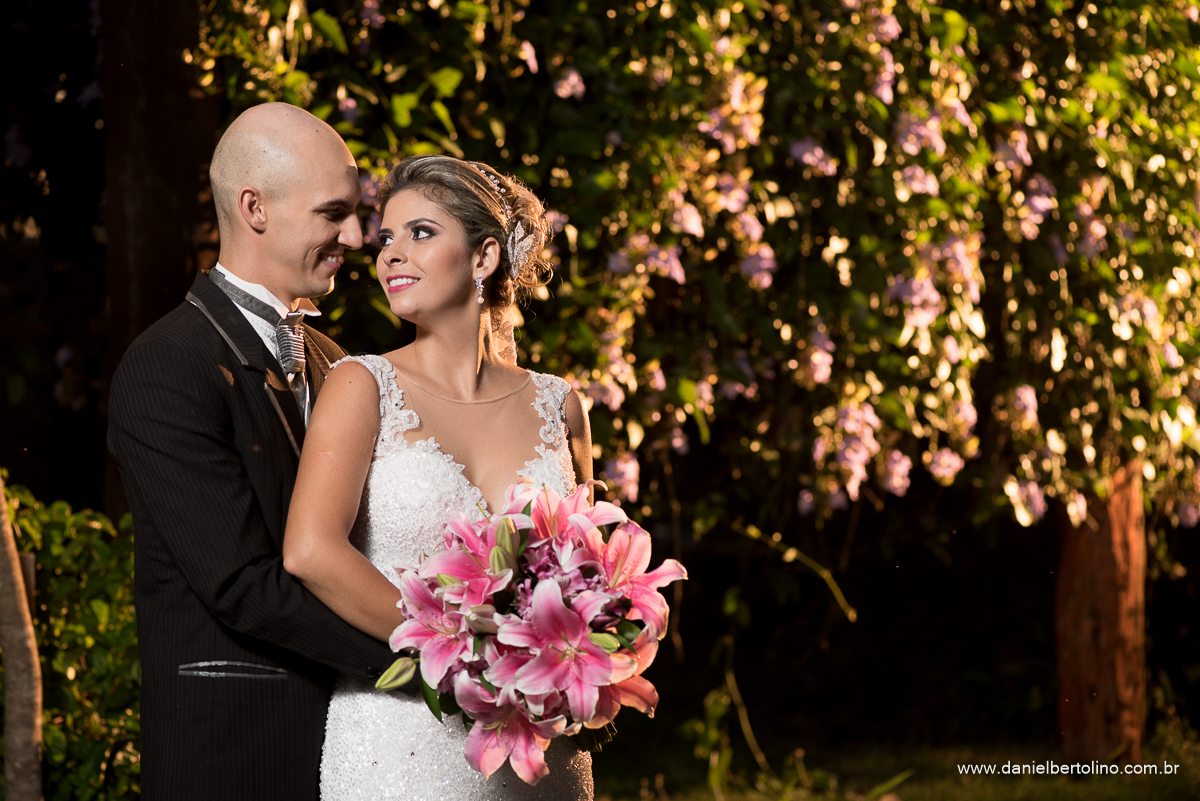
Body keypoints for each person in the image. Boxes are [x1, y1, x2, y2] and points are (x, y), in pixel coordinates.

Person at [106, 103, 398, 801]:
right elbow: (240, 584)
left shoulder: (334, 363)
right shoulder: (166, 365)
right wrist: (426, 658)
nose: (356, 237)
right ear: (254, 208)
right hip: (235, 752)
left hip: (358, 746)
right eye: (334, 214)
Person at [281, 155, 596, 799]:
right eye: (387, 238)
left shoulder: (560, 403)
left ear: (483, 258)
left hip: (536, 741)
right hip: (400, 738)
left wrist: (593, 642)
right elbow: (310, 551)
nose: (391, 254)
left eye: (420, 233)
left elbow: (587, 564)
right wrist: (466, 650)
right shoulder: (361, 384)